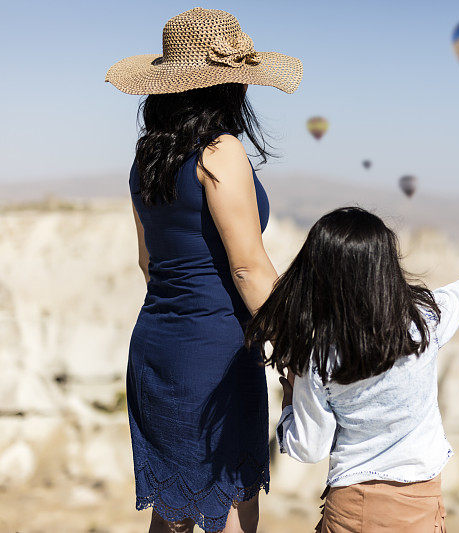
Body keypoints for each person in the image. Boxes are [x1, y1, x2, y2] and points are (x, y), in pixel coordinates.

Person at [105, 8, 302, 532]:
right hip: (215, 355)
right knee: (232, 514)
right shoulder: (222, 152)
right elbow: (248, 267)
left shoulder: (145, 159)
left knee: (173, 518)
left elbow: (148, 262)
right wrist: (297, 344)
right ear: (229, 87)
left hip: (156, 345)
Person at [245, 207, 459, 532]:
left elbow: (309, 447)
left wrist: (289, 397)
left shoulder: (320, 357)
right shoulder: (424, 321)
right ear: (385, 269)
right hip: (421, 506)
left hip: (353, 509)